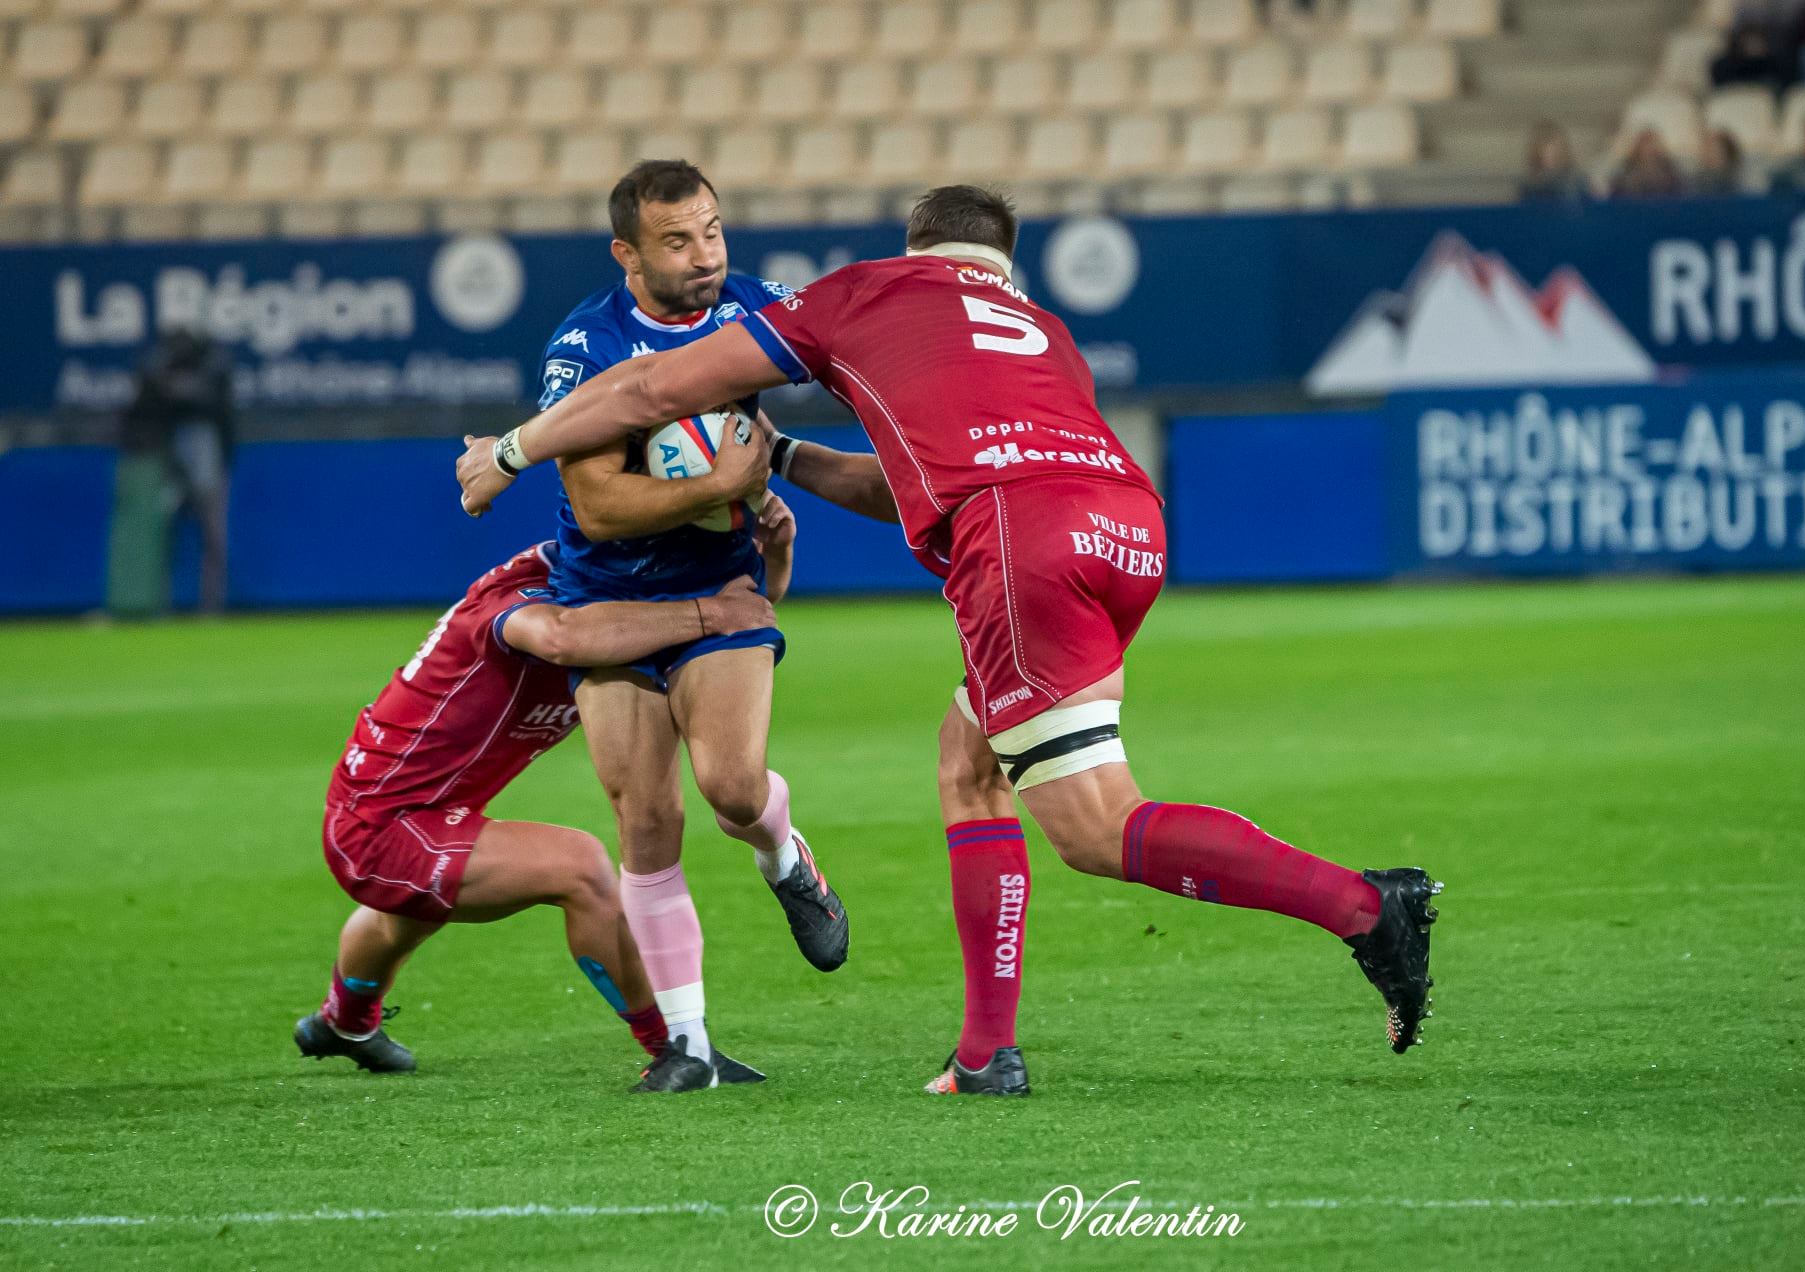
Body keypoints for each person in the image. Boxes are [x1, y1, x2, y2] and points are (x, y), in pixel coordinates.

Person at [455, 186, 1442, 1098]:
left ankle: (1361, 907)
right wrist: (787, 458)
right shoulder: (1039, 330)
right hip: (1127, 526)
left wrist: (507, 452)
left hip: (1021, 544)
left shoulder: (866, 294)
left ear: (913, 253)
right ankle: (984, 1054)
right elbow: (904, 488)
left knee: (1095, 827)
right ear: (998, 270)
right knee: (969, 760)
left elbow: (645, 394)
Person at [529, 158, 847, 1079]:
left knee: (734, 791)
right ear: (627, 252)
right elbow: (595, 506)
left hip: (721, 588)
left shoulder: (759, 305)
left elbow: (857, 353)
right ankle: (691, 1047)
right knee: (646, 823)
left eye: (711, 230)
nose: (705, 254)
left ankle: (787, 861)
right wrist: (723, 483)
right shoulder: (585, 348)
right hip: (610, 596)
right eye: (677, 240)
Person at [297, 541, 788, 1093]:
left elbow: (740, 621)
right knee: (579, 868)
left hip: (424, 810)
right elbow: (560, 635)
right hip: (382, 823)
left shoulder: (621, 591)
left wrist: (773, 551)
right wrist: (708, 612)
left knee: (405, 914)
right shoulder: (534, 593)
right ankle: (673, 1050)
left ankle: (345, 1022)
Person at [105, 326, 234, 617]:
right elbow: (152, 398)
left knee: (213, 534)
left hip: (204, 458)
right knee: (161, 533)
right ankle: (155, 603)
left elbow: (209, 400)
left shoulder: (213, 372)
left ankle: (211, 607)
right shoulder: (158, 375)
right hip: (171, 458)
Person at [1518, 122, 1588, 202]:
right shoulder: (1529, 186)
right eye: (1543, 149)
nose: (1548, 155)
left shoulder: (1574, 182)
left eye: (1553, 150)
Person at [1609, 129, 1686, 198]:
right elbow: (1616, 196)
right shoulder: (1626, 171)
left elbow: (1679, 193)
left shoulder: (1669, 172)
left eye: (1651, 144)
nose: (1648, 149)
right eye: (1645, 144)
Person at [1692, 128, 1748, 195]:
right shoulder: (1697, 182)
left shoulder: (1734, 182)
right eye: (1706, 149)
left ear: (1726, 153)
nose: (1706, 154)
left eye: (1713, 150)